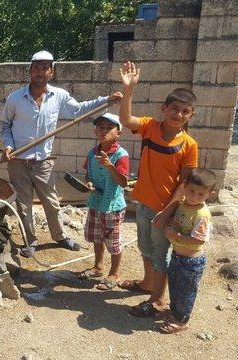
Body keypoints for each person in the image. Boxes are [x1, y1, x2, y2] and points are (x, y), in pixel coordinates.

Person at [0, 50, 122, 257]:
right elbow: (5, 125)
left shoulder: (59, 96)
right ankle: (30, 241)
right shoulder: (15, 98)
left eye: (45, 68)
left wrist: (106, 101)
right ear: (30, 70)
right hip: (18, 161)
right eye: (36, 67)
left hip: (44, 162)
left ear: (51, 72)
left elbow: (79, 110)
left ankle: (60, 236)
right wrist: (9, 146)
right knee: (24, 204)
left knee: (52, 203)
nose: (40, 72)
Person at [117, 61, 199, 317]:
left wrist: (168, 211)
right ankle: (147, 282)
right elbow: (125, 119)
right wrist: (128, 91)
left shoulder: (189, 145)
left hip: (165, 210)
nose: (179, 115)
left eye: (185, 112)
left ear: (191, 116)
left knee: (161, 254)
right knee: (145, 247)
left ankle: (158, 299)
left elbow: (184, 184)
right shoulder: (150, 127)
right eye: (174, 109)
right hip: (143, 202)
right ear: (164, 109)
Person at [158, 168, 215, 334]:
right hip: (177, 257)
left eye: (200, 194)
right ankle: (176, 312)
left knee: (186, 292)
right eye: (191, 191)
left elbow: (199, 239)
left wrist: (176, 235)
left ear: (209, 195)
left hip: (191, 262)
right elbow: (178, 221)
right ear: (185, 187)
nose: (194, 196)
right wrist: (171, 225)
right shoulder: (184, 205)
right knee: (176, 288)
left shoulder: (202, 214)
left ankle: (182, 321)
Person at [79, 113, 129, 290]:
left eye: (109, 128)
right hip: (96, 202)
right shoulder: (92, 152)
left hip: (112, 205)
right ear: (95, 131)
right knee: (97, 236)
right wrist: (88, 182)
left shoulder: (121, 155)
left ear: (119, 133)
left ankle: (114, 273)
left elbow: (123, 182)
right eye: (101, 127)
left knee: (113, 241)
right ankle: (98, 266)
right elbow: (87, 174)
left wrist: (109, 166)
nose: (104, 131)